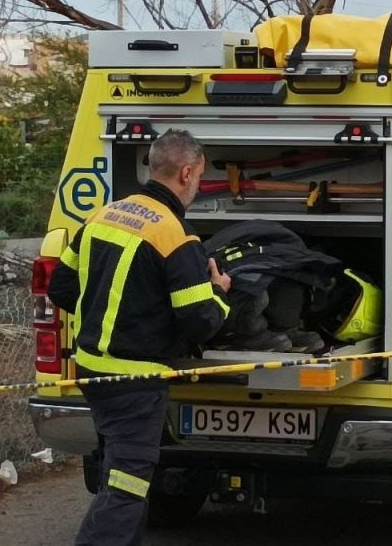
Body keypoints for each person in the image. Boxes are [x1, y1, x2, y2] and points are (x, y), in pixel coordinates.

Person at [48, 129, 231, 545]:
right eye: (200, 178)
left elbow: (60, 288)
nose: (197, 187)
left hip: (92, 367)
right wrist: (220, 293)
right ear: (187, 173)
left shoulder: (102, 215)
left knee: (122, 474)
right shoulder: (175, 236)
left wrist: (113, 311)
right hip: (134, 380)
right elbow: (199, 320)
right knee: (127, 485)